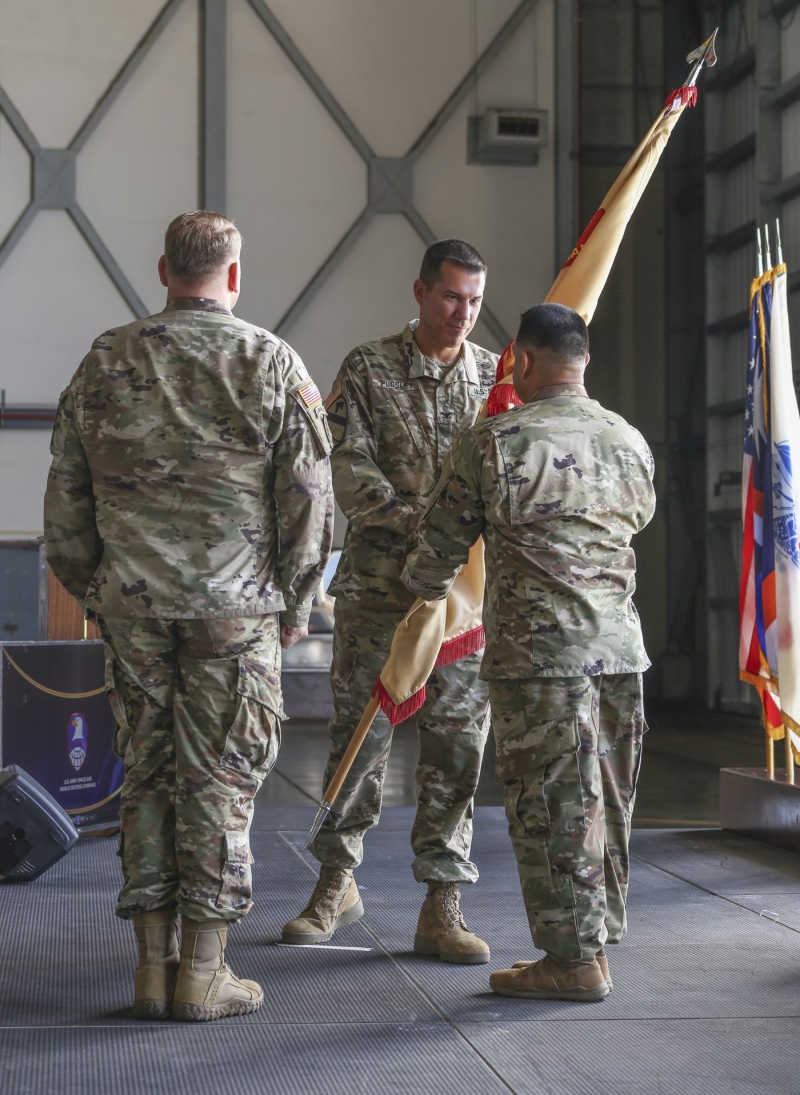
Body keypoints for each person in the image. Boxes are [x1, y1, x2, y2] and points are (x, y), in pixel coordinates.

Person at [44, 211, 334, 1022]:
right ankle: (204, 973)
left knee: (147, 775)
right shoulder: (270, 360)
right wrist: (298, 600)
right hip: (234, 609)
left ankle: (151, 967)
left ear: (164, 269)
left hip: (133, 606)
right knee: (221, 781)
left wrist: (96, 588)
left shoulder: (105, 358)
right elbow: (310, 498)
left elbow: (65, 494)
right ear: (232, 276)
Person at [402, 303, 655, 1001]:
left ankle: (569, 963)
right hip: (621, 654)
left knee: (550, 808)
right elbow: (637, 521)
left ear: (521, 360)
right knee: (605, 802)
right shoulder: (628, 440)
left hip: (540, 658)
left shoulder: (494, 443)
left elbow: (434, 561)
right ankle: (594, 946)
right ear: (584, 361)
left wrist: (418, 586)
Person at [281, 239, 498, 963]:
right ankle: (335, 884)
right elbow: (347, 469)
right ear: (419, 291)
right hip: (382, 591)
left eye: (473, 300)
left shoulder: (498, 380)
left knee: (457, 749)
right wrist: (428, 528)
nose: (462, 313)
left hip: (462, 605)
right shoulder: (369, 369)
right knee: (358, 739)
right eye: (449, 297)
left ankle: (443, 903)